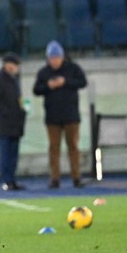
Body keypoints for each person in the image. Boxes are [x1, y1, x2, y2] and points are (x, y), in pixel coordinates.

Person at [33, 41, 87, 189]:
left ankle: (76, 177)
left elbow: (83, 82)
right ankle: (55, 178)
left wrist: (65, 82)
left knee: (73, 147)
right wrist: (48, 86)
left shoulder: (73, 69)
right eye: (52, 58)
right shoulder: (44, 73)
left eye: (57, 58)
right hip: (52, 117)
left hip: (71, 116)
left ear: (62, 57)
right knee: (53, 148)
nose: (54, 61)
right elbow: (36, 90)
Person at [0, 53, 27, 191]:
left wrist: (22, 111)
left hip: (16, 123)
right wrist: (5, 112)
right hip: (5, 124)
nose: (15, 67)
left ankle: (12, 179)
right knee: (6, 153)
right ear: (6, 65)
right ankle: (6, 180)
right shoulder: (0, 81)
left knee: (13, 154)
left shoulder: (15, 80)